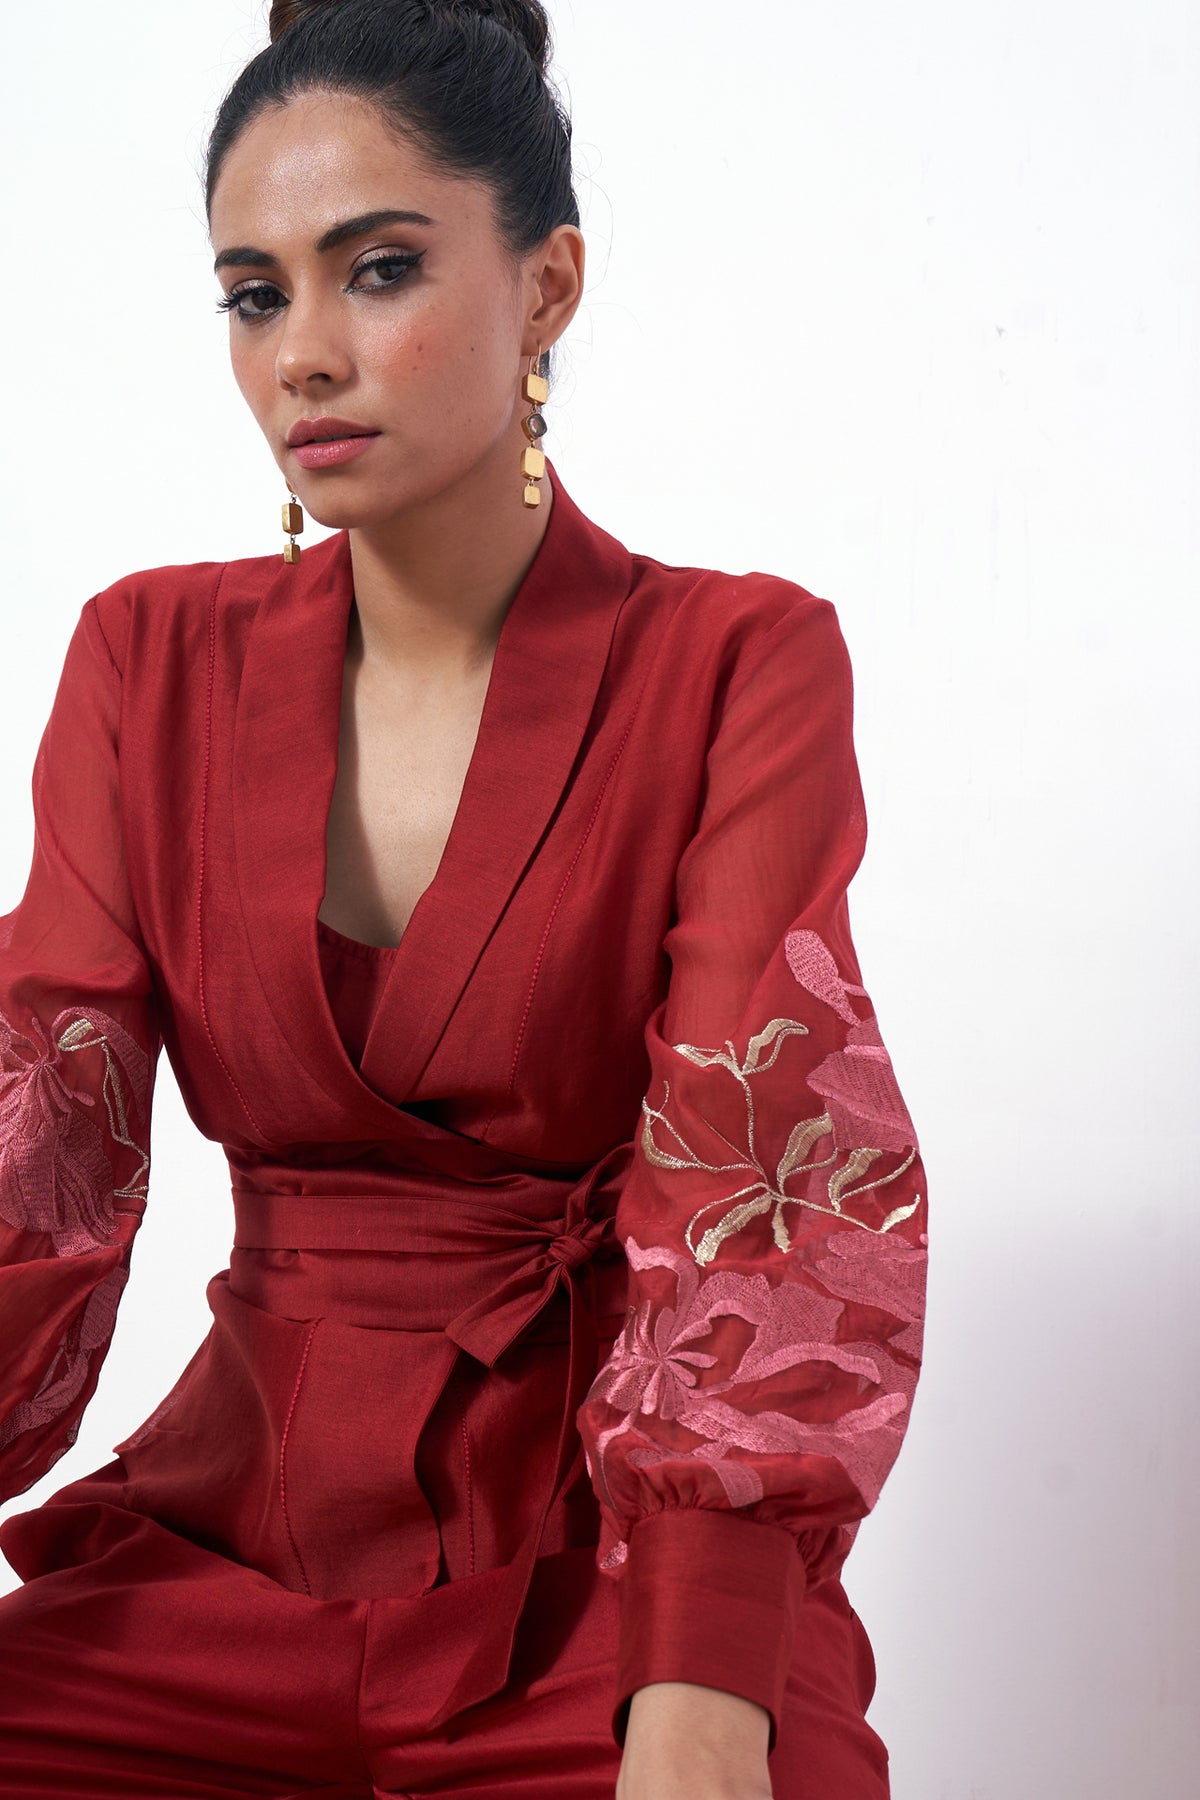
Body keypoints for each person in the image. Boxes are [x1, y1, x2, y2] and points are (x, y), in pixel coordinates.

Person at [0, 2, 929, 1795]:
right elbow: (36, 1163)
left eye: (380, 271)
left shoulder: (737, 663)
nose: (303, 356)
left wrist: (705, 1678)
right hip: (221, 1566)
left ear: (548, 286)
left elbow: (762, 1174)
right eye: (254, 294)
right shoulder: (144, 661)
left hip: (608, 1577)